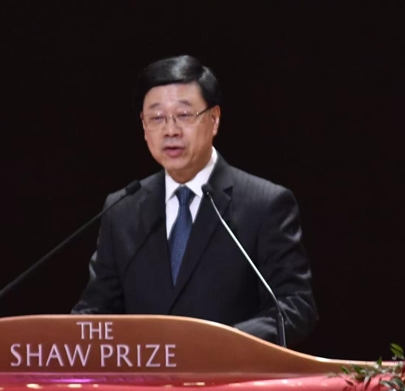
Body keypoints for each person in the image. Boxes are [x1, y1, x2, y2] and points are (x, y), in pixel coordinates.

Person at [71, 55, 318, 347]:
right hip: (145, 375)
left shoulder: (265, 204)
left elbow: (295, 306)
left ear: (214, 119)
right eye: (157, 118)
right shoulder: (122, 209)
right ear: (144, 126)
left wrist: (218, 344)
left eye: (184, 115)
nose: (171, 130)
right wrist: (62, 337)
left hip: (230, 372)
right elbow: (96, 310)